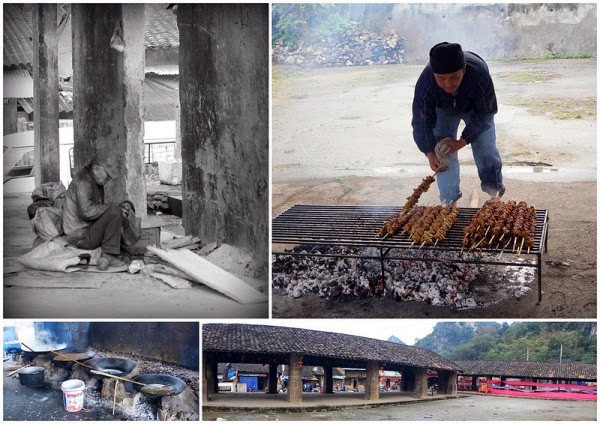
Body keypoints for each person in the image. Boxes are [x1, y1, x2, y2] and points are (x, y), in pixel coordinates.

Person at [412, 42, 505, 204]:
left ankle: (494, 193)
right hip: (443, 108)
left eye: (454, 77)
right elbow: (421, 121)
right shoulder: (426, 82)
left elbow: (485, 115)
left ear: (463, 70)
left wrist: (462, 142)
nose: (448, 84)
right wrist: (429, 153)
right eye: (441, 79)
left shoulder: (479, 75)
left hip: (475, 108)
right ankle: (449, 201)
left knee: (485, 147)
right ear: (434, 74)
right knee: (442, 151)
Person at [63, 153, 140, 266]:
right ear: (96, 168)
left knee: (125, 206)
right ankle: (108, 254)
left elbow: (99, 210)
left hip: (88, 230)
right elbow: (86, 212)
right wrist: (110, 207)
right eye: (107, 175)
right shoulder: (83, 181)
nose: (108, 179)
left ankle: (115, 249)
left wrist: (117, 207)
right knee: (114, 211)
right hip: (81, 237)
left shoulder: (94, 180)